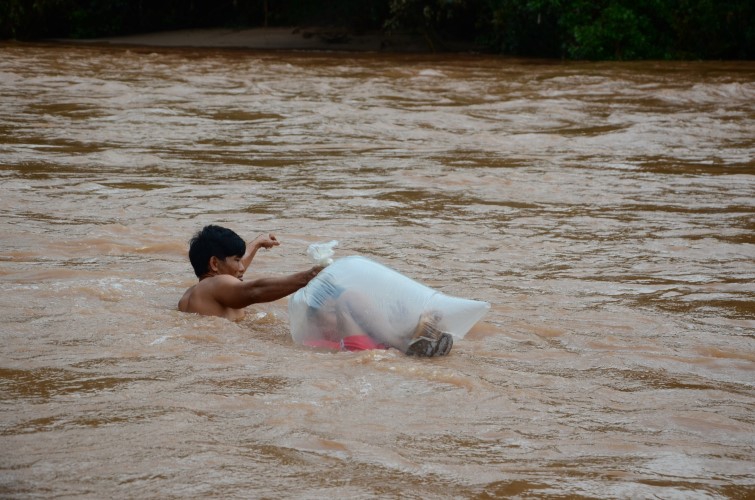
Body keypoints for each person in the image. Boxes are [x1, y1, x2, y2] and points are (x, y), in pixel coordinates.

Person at [178, 225, 322, 321]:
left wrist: (257, 243)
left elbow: (234, 274)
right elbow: (254, 290)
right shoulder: (215, 284)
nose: (241, 268)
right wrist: (311, 275)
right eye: (237, 260)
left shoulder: (193, 293)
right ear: (214, 263)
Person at [303, 286, 453, 356]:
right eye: (332, 312)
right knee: (348, 298)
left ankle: (414, 339)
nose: (340, 317)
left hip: (382, 352)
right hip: (356, 352)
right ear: (316, 322)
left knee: (427, 317)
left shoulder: (370, 329)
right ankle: (404, 344)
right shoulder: (314, 345)